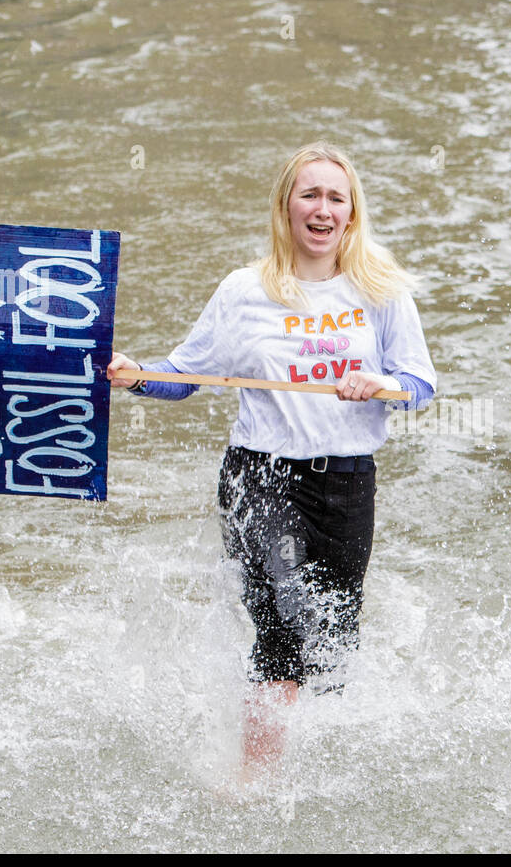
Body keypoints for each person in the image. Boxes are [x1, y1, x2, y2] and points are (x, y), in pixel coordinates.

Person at [107, 142, 437, 778]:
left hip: (347, 485)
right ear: (286, 205)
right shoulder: (246, 290)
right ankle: (250, 784)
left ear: (351, 212)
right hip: (261, 476)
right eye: (309, 195)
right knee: (283, 624)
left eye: (335, 198)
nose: (322, 209)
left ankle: (310, 773)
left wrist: (381, 384)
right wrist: (136, 376)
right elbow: (186, 375)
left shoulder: (381, 289)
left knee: (332, 646)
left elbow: (421, 386)